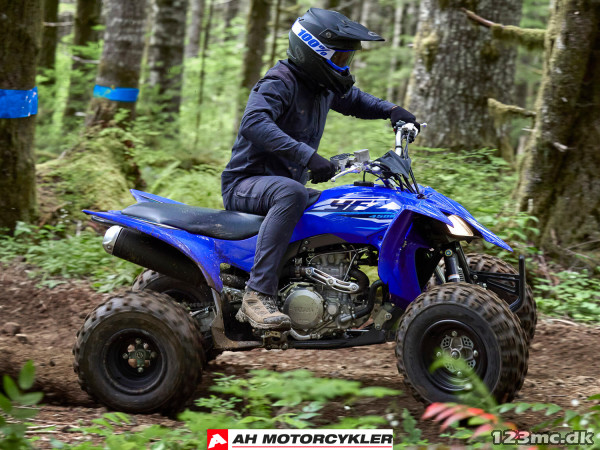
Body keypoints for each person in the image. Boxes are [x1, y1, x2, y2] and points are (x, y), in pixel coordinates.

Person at [221, 8, 419, 330]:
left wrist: (393, 110)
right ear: (314, 52)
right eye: (339, 57)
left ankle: (313, 283)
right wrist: (307, 156)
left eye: (346, 58)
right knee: (292, 194)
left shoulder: (321, 86)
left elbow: (355, 101)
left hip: (282, 186)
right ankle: (257, 294)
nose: (344, 65)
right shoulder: (279, 82)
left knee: (337, 203)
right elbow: (254, 123)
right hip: (246, 183)